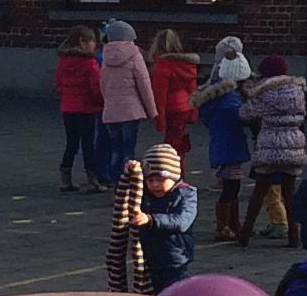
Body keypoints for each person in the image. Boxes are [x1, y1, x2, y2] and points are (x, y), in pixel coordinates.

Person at [240, 55, 307, 243]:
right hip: (293, 142)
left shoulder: (265, 91)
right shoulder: (297, 90)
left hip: (270, 143)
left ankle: (245, 234)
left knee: (259, 191)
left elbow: (247, 113)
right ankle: (294, 236)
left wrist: (246, 95)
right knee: (290, 193)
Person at [111, 144, 201, 294]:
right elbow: (132, 189)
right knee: (153, 294)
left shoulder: (185, 194)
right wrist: (131, 171)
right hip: (149, 259)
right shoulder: (147, 194)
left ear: (173, 177)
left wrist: (151, 220)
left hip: (174, 259)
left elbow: (182, 221)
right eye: (150, 180)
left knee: (175, 293)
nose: (155, 185)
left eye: (160, 180)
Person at [199, 37, 256, 240]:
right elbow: (242, 118)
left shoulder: (219, 97)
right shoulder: (230, 101)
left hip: (225, 146)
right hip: (230, 147)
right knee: (231, 188)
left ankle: (232, 223)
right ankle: (225, 226)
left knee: (232, 186)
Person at [95, 19, 158, 183]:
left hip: (110, 111)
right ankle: (128, 183)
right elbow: (144, 84)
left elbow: (102, 84)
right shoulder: (135, 56)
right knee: (128, 150)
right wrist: (152, 111)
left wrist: (108, 102)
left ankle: (116, 183)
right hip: (131, 111)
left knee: (115, 149)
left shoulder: (105, 57)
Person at [54, 26, 105, 193]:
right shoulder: (90, 64)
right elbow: (95, 89)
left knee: (71, 143)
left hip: (68, 108)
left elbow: (59, 85)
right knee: (88, 144)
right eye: (92, 41)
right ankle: (92, 179)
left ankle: (65, 177)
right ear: (82, 42)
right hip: (86, 109)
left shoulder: (63, 61)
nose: (94, 45)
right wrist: (101, 103)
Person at [149, 28, 201, 160]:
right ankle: (180, 169)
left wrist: (159, 120)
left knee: (170, 146)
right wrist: (193, 113)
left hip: (171, 109)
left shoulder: (162, 66)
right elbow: (193, 90)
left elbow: (159, 96)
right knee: (180, 144)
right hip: (185, 107)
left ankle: (173, 170)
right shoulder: (187, 65)